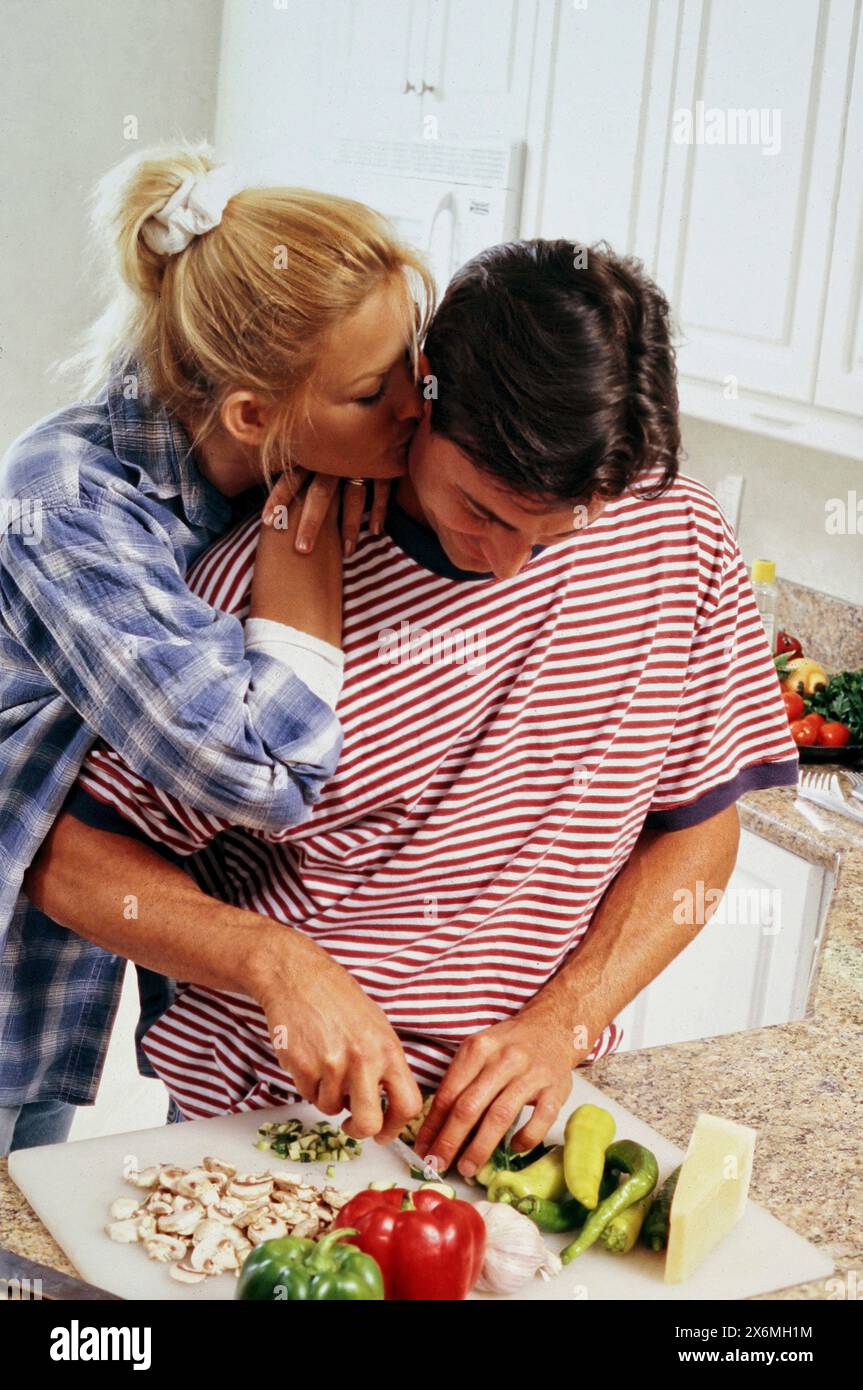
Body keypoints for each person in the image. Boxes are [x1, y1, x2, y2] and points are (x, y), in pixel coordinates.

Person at [26, 240, 799, 1174]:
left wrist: (562, 1024)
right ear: (420, 402)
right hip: (272, 1128)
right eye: (484, 509)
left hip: (529, 1123)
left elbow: (698, 829)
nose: (511, 563)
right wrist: (280, 967)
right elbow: (71, 863)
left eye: (558, 531)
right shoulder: (267, 587)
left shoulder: (677, 534)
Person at [0, 142, 434, 1153]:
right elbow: (262, 770)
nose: (417, 408)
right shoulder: (62, 504)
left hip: (98, 968)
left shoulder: (272, 459)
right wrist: (295, 579)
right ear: (252, 412)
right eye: (376, 394)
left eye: (414, 364)